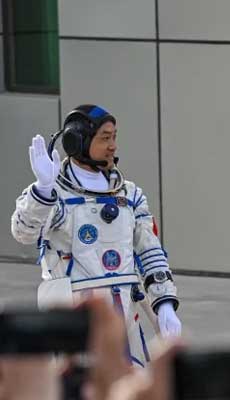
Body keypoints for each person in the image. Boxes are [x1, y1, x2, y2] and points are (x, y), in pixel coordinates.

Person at [10, 104, 181, 367]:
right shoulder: (57, 195)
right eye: (105, 138)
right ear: (77, 142)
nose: (113, 145)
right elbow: (23, 231)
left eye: (114, 137)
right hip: (75, 323)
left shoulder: (129, 195)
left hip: (125, 320)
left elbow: (149, 252)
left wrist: (164, 303)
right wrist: (43, 191)